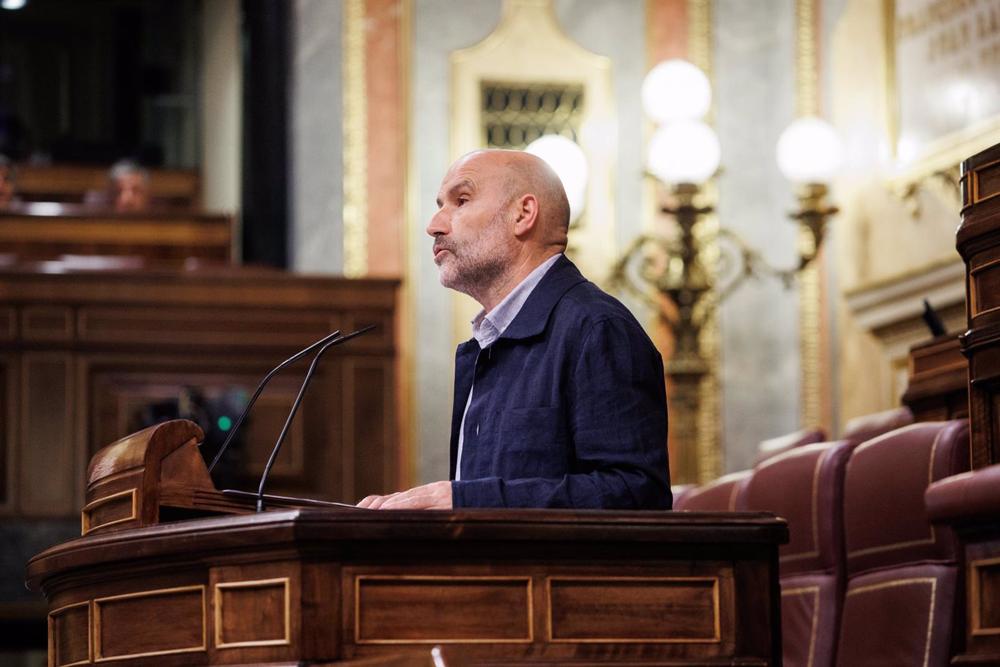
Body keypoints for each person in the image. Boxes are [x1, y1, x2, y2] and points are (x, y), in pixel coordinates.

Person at [358, 149, 671, 510]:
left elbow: (635, 493)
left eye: (461, 201)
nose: (434, 224)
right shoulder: (485, 344)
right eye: (440, 205)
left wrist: (465, 500)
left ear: (523, 214)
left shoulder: (596, 329)